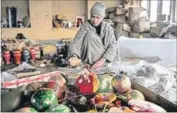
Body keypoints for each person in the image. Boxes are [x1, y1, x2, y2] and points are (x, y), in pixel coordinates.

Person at [68, 2, 119, 70]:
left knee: (91, 35)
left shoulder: (107, 28)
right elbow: (76, 42)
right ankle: (88, 64)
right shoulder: (85, 26)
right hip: (87, 60)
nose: (95, 20)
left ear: (102, 18)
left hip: (103, 58)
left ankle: (97, 64)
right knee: (90, 34)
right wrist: (74, 56)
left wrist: (102, 61)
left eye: (98, 18)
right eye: (93, 17)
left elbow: (113, 45)